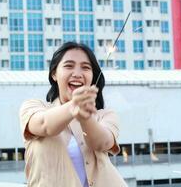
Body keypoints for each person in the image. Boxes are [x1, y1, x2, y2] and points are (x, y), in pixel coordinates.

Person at [19, 42, 127, 187]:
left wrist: (86, 118)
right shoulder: (33, 107)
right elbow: (44, 125)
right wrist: (75, 105)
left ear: (93, 76)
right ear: (54, 74)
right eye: (69, 66)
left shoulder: (105, 115)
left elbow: (102, 142)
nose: (77, 74)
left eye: (86, 68)